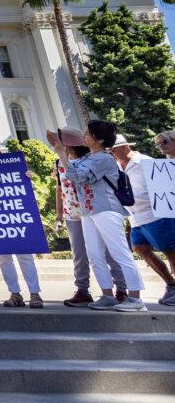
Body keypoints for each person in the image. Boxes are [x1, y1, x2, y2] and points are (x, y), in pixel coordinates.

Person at [63, 119, 148, 312]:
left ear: (99, 139)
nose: (84, 135)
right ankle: (107, 295)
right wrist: (61, 148)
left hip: (106, 209)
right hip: (88, 211)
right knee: (94, 255)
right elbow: (71, 172)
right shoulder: (87, 158)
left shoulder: (104, 158)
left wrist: (62, 152)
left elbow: (78, 177)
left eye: (88, 133)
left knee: (120, 253)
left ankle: (135, 298)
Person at [49, 128, 127, 307]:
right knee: (80, 254)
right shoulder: (59, 162)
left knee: (109, 252)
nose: (54, 143)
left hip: (94, 209)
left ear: (68, 142)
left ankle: (121, 289)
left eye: (58, 140)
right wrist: (59, 214)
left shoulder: (89, 159)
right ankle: (83, 290)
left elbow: (82, 179)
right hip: (73, 213)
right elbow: (60, 188)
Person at [0, 134, 43, 308]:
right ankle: (15, 294)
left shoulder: (12, 164)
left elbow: (24, 190)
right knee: (4, 258)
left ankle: (35, 294)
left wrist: (28, 177)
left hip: (15, 216)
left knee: (25, 255)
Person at [112, 135, 175, 306]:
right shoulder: (116, 167)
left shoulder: (146, 162)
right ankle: (171, 284)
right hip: (135, 217)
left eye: (114, 149)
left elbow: (165, 188)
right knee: (140, 249)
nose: (112, 153)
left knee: (170, 251)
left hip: (156, 215)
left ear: (125, 147)